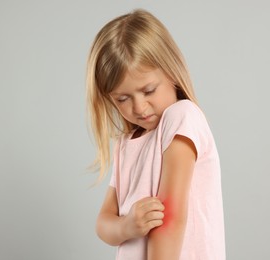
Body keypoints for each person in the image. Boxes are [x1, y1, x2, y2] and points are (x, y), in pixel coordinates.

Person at [86, 9, 225, 260]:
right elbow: (103, 223)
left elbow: (170, 221)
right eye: (123, 99)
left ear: (171, 72)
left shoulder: (182, 117)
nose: (139, 108)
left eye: (148, 90)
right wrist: (127, 226)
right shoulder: (126, 145)